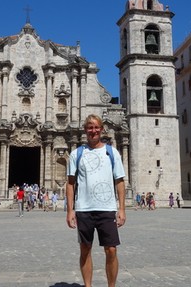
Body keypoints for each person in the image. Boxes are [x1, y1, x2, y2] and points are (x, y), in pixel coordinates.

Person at [66, 114, 126, 287]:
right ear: (85, 130)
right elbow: (70, 183)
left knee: (112, 250)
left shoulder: (112, 152)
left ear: (102, 129)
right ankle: (88, 286)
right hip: (84, 208)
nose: (93, 131)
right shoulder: (76, 154)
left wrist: (122, 209)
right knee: (85, 249)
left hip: (107, 208)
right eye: (90, 128)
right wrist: (70, 210)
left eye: (96, 127)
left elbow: (120, 181)